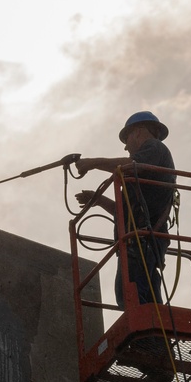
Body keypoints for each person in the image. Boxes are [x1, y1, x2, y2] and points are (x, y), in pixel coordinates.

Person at [75, 111, 176, 308]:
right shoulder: (144, 170)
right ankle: (153, 339)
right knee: (145, 299)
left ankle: (147, 339)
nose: (126, 146)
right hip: (141, 240)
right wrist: (97, 199)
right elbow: (123, 212)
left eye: (127, 138)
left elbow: (131, 165)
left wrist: (93, 163)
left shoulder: (154, 147)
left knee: (130, 297)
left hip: (143, 240)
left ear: (138, 132)